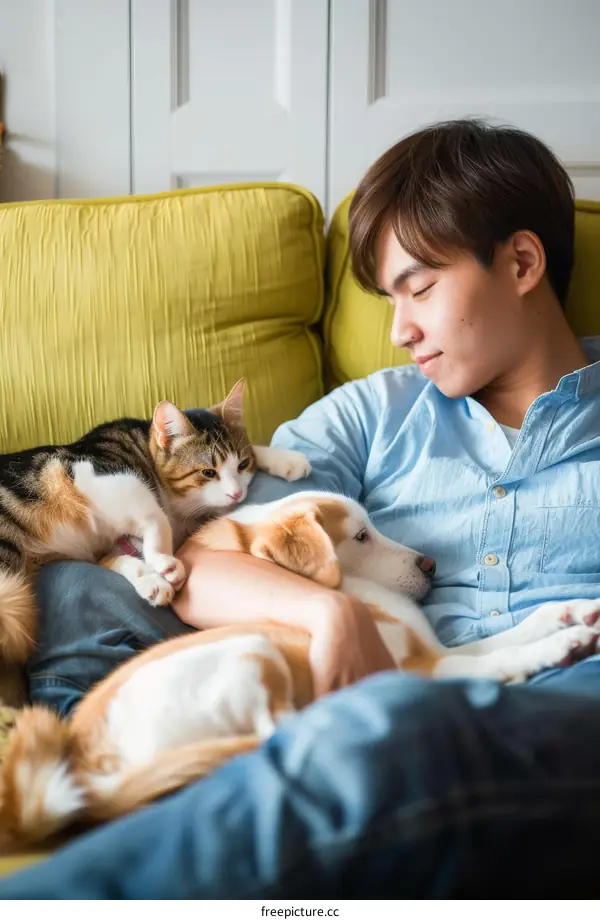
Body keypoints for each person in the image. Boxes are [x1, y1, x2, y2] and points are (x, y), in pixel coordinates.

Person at [4, 118, 600, 898]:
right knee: (72, 590)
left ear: (521, 262)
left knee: (380, 739)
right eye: (389, 299)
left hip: (553, 720)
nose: (399, 331)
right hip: (377, 711)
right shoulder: (370, 415)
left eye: (419, 288)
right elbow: (207, 558)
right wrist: (329, 618)